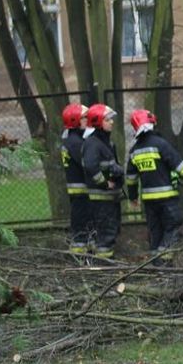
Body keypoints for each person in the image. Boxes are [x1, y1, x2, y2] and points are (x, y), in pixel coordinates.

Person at [125, 109, 183, 262]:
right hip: (166, 199)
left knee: (156, 232)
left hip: (148, 201)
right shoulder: (160, 144)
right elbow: (178, 165)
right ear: (151, 123)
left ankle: (156, 264)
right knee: (174, 226)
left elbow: (131, 178)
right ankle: (165, 261)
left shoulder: (134, 151)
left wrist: (133, 197)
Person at [81, 104, 124, 259]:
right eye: (107, 120)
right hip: (101, 198)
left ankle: (97, 260)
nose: (111, 122)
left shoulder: (104, 142)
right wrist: (105, 183)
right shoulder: (93, 143)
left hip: (108, 197)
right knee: (106, 231)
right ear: (98, 122)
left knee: (107, 230)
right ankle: (105, 264)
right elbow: (91, 166)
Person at [59, 103, 91, 254]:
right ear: (75, 120)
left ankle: (84, 252)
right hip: (81, 191)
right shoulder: (75, 142)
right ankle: (79, 254)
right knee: (81, 225)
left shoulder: (72, 140)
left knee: (83, 223)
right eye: (85, 117)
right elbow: (88, 164)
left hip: (79, 191)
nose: (89, 120)